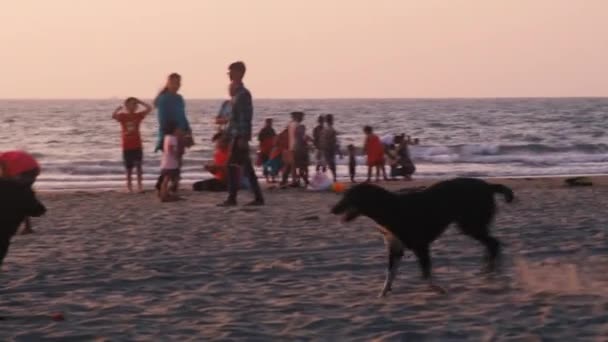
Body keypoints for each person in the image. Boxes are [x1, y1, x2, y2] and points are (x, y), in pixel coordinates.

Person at [218, 61, 264, 207]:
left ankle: (233, 198)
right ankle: (256, 197)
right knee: (244, 167)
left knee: (233, 166)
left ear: (239, 72)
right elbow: (234, 118)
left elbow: (245, 117)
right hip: (236, 135)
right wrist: (226, 133)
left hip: (239, 136)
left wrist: (243, 137)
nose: (229, 74)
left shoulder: (243, 94)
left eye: (231, 71)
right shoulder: (236, 94)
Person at [154, 73, 193, 193]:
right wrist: (172, 131)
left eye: (179, 82)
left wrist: (188, 130)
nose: (177, 85)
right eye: (174, 82)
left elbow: (182, 115)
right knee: (170, 161)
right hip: (169, 134)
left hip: (181, 131)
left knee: (178, 159)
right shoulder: (163, 99)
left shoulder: (179, 98)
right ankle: (163, 185)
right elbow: (162, 118)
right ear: (169, 83)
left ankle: (174, 185)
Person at [112, 97, 152, 193]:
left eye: (134, 104)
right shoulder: (123, 116)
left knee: (139, 167)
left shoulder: (138, 115)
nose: (133, 106)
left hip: (137, 145)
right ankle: (129, 187)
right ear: (126, 106)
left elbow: (149, 108)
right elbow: (113, 116)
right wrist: (117, 109)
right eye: (130, 104)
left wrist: (140, 101)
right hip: (126, 146)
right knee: (129, 168)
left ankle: (140, 186)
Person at [0, 150, 41, 234]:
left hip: (25, 174)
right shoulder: (8, 157)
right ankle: (27, 227)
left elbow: (5, 175)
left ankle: (27, 227)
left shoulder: (3, 160)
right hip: (33, 171)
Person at [159, 121, 181, 202]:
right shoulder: (173, 138)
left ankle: (164, 194)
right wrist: (177, 156)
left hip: (165, 161)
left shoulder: (166, 137)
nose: (178, 130)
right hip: (171, 163)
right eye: (177, 129)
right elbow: (171, 149)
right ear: (174, 129)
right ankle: (166, 194)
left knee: (166, 179)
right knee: (174, 178)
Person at [319, 114, 340, 182]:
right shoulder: (331, 129)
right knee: (331, 164)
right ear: (331, 120)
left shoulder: (325, 129)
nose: (333, 121)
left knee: (325, 164)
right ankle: (334, 178)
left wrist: (321, 148)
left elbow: (322, 140)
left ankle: (324, 179)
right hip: (329, 149)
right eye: (332, 119)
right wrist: (338, 151)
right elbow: (334, 141)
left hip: (325, 148)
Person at [292, 112, 310, 187]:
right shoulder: (300, 126)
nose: (302, 118)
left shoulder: (292, 125)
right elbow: (303, 137)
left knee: (298, 165)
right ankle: (305, 180)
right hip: (301, 149)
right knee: (303, 166)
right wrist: (309, 140)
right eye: (301, 116)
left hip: (295, 148)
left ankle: (298, 180)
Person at [257, 118, 277, 182]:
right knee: (269, 165)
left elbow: (260, 140)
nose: (270, 124)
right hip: (267, 150)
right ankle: (269, 179)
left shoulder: (267, 130)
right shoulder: (268, 130)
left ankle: (270, 178)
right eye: (270, 122)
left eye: (271, 122)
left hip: (268, 150)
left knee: (269, 164)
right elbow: (275, 139)